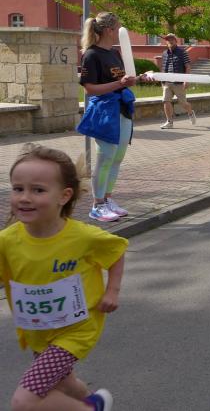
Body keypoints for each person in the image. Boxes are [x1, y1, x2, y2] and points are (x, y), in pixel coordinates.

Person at [2, 143, 127, 411]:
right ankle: (93, 401)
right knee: (63, 383)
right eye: (18, 188)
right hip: (38, 328)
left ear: (64, 196)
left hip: (76, 330)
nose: (24, 197)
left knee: (24, 402)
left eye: (38, 190)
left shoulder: (83, 236)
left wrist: (112, 291)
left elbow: (116, 252)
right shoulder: (7, 240)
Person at [77, 11, 152, 222]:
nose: (120, 31)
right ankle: (97, 205)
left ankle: (107, 199)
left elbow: (123, 80)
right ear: (110, 30)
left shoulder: (115, 53)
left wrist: (139, 78)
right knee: (105, 158)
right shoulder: (91, 55)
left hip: (122, 109)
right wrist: (120, 83)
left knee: (117, 158)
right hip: (104, 112)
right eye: (118, 27)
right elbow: (90, 89)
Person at [158, 33, 196, 129]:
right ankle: (169, 122)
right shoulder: (164, 53)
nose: (170, 41)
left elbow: (188, 66)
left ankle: (190, 112)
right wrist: (162, 81)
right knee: (165, 101)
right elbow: (163, 67)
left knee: (183, 104)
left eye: (172, 39)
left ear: (176, 41)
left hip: (179, 83)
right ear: (166, 42)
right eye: (168, 40)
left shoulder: (182, 52)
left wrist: (186, 80)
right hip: (167, 82)